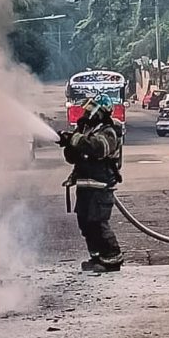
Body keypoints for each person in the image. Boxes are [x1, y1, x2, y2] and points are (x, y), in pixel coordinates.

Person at [57, 94, 124, 272]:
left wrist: (75, 139)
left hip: (101, 186)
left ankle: (112, 259)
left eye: (91, 109)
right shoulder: (86, 130)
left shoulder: (109, 131)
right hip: (85, 186)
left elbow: (98, 148)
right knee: (85, 224)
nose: (87, 113)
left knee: (98, 223)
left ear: (101, 113)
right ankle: (96, 257)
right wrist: (68, 143)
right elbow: (72, 158)